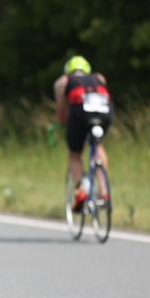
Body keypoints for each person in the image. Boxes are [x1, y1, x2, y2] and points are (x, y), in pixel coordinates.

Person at [53, 56, 113, 211]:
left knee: (74, 154)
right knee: (97, 145)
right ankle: (104, 192)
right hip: (105, 113)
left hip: (81, 112)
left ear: (68, 70)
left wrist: (64, 124)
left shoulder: (63, 81)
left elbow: (61, 113)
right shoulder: (98, 77)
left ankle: (82, 191)